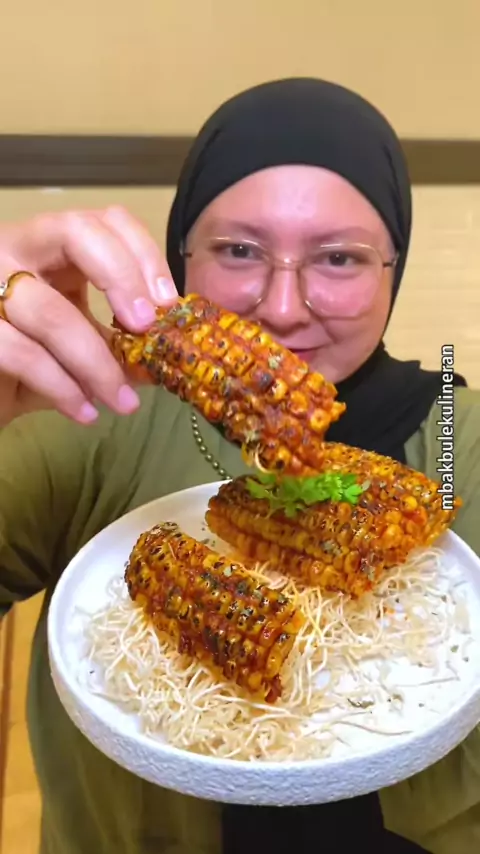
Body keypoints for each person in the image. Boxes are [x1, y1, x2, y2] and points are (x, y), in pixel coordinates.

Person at [0, 78, 479, 854]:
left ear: (395, 270)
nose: (282, 307)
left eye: (339, 257)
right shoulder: (84, 419)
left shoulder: (461, 433)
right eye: (238, 250)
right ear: (176, 260)